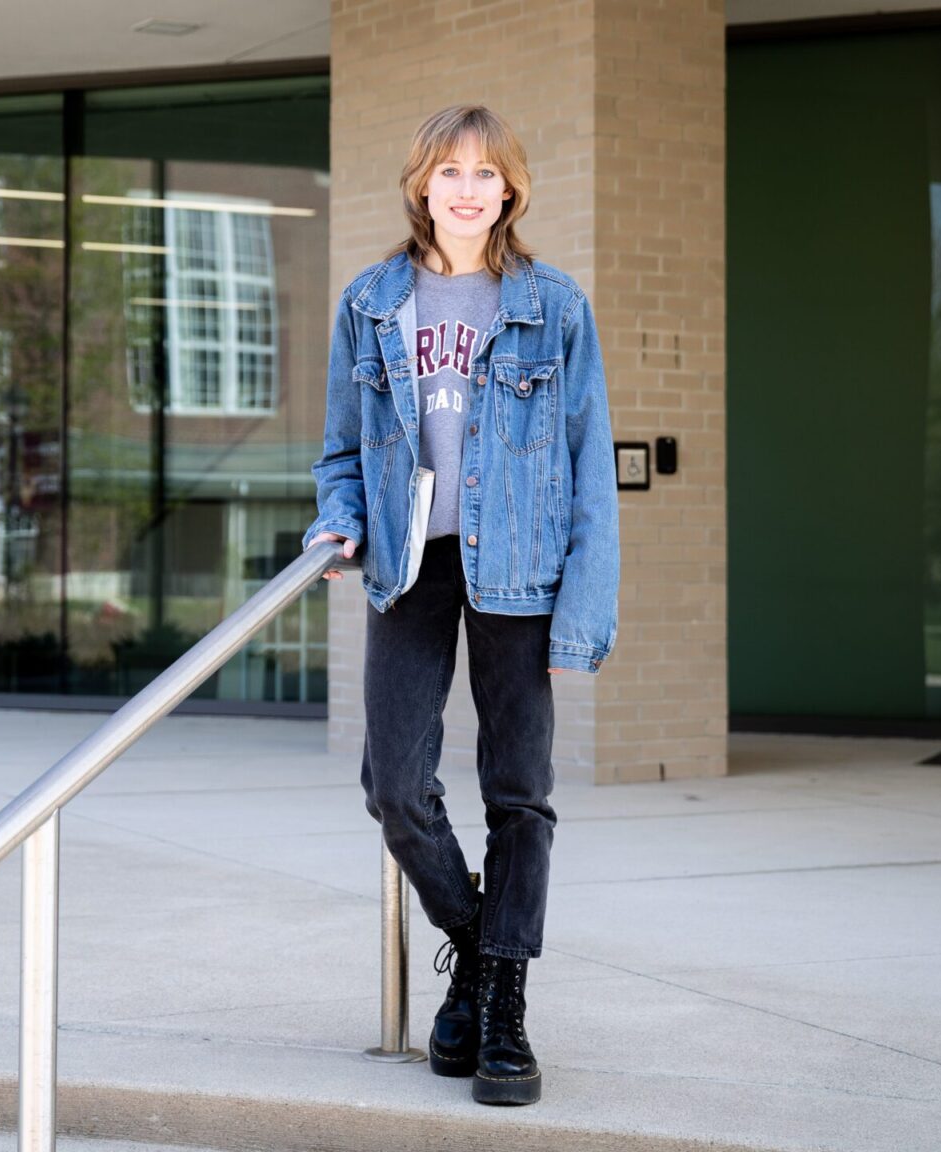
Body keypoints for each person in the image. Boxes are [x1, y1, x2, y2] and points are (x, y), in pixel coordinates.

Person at [304, 104, 618, 1106]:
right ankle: (480, 952)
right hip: (409, 565)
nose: (468, 190)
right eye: (450, 172)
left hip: (519, 566)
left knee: (517, 791)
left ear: (510, 188)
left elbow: (589, 468)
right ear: (421, 186)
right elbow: (340, 451)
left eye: (486, 173)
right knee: (393, 785)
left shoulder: (552, 305)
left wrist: (581, 614)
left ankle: (501, 1012)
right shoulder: (370, 304)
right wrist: (336, 523)